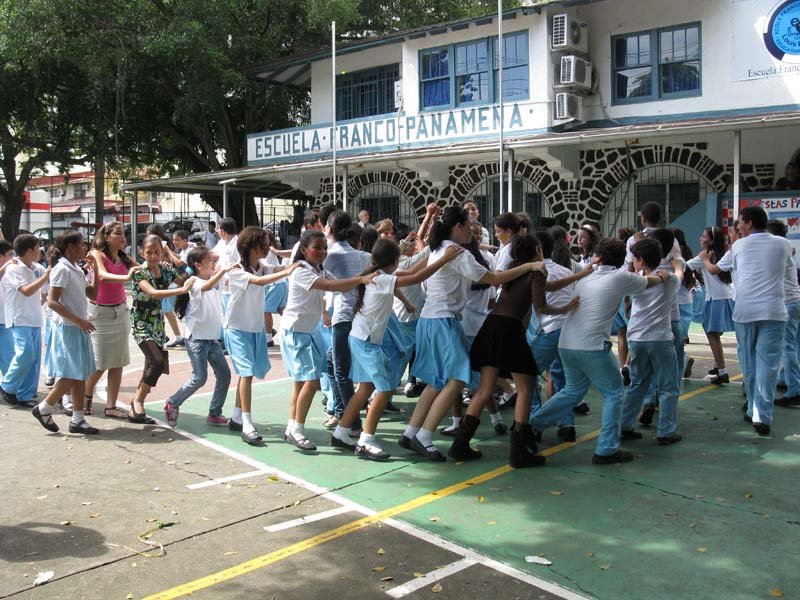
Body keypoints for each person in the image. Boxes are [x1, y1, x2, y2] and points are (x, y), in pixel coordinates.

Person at [399, 206, 548, 462]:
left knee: (437, 381)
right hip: (443, 320)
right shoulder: (457, 253)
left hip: (429, 320)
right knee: (457, 379)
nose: (473, 230)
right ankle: (424, 436)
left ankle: (410, 432)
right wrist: (531, 266)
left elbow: (412, 271)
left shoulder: (438, 248)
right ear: (458, 226)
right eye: (469, 226)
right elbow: (493, 279)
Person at [447, 233, 585, 468]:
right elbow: (541, 305)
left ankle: (460, 444)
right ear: (537, 249)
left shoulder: (513, 268)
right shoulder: (537, 270)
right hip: (510, 329)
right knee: (525, 387)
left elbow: (547, 287)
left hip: (491, 326)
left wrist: (580, 275)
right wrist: (565, 308)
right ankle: (518, 452)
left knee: (485, 389)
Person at [530, 237, 667, 465]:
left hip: (567, 343)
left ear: (598, 257)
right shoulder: (619, 277)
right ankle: (606, 449)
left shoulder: (585, 276)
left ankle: (532, 425)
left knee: (572, 391)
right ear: (621, 259)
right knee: (614, 393)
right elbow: (648, 281)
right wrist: (663, 276)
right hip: (592, 346)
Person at [330, 238, 464, 460]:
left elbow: (409, 273)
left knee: (365, 389)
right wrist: (444, 259)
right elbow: (415, 277)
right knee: (384, 389)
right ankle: (366, 441)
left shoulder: (377, 274)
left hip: (360, 338)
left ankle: (341, 432)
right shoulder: (382, 278)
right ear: (393, 261)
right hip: (366, 342)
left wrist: (431, 256)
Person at [280, 230, 377, 452]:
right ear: (304, 250)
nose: (322, 252)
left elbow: (341, 283)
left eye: (325, 248)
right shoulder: (301, 271)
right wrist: (361, 278)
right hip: (295, 331)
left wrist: (369, 275)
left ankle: (292, 427)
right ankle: (296, 430)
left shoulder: (319, 269)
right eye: (317, 248)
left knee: (301, 383)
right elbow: (330, 287)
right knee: (311, 381)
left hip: (307, 331)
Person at [704, 206, 793, 435]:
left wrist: (704, 258)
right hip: (774, 311)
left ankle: (753, 406)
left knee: (749, 362)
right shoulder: (783, 244)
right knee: (768, 364)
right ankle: (762, 415)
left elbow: (715, 269)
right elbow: (787, 273)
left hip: (746, 311)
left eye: (740, 223)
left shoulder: (739, 246)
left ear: (749, 223)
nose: (738, 227)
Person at [224, 227, 299, 444]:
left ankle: (236, 417)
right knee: (247, 373)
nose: (268, 249)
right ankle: (247, 425)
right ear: (251, 247)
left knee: (246, 373)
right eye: (263, 245)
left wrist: (295, 263)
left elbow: (274, 268)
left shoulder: (262, 267)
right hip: (236, 328)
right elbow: (259, 282)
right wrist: (289, 270)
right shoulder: (237, 270)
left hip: (255, 328)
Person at [31, 230, 99, 434]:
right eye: (82, 244)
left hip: (78, 327)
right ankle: (44, 407)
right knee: (71, 373)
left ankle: (77, 419)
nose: (85, 248)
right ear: (71, 247)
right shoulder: (62, 269)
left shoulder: (76, 268)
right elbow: (52, 301)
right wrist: (78, 320)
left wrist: (95, 270)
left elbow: (92, 293)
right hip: (69, 327)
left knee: (80, 374)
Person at [163, 246, 239, 428]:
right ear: (198, 265)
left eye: (213, 260)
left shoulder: (212, 280)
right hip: (196, 339)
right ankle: (172, 402)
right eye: (209, 260)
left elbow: (215, 283)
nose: (213, 263)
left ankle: (214, 413)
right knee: (199, 378)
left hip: (211, 340)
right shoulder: (194, 281)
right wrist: (224, 271)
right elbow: (207, 286)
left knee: (224, 375)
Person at [619, 237, 682, 445]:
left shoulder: (635, 280)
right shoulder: (668, 280)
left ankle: (624, 425)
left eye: (635, 259)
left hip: (637, 339)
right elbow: (679, 277)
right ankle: (666, 431)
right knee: (668, 386)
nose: (633, 262)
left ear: (641, 260)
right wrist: (677, 265)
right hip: (660, 338)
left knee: (638, 383)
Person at [128, 235, 194, 424]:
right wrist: (181, 290)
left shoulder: (166, 269)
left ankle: (137, 406)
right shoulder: (140, 272)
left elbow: (184, 278)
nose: (153, 256)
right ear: (142, 253)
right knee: (157, 362)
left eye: (157, 252)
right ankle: (137, 401)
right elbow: (153, 293)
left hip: (157, 322)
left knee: (151, 365)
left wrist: (191, 269)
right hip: (141, 321)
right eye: (149, 252)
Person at [83, 222, 140, 419]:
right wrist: (127, 278)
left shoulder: (123, 257)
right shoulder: (97, 254)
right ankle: (85, 396)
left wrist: (161, 262)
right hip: (100, 314)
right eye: (118, 234)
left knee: (118, 361)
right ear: (106, 237)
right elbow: (102, 276)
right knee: (100, 362)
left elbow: (142, 269)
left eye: (123, 234)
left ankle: (111, 406)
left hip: (120, 312)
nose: (123, 237)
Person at [323, 211, 368, 434]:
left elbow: (317, 273)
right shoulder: (355, 253)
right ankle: (342, 411)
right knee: (332, 361)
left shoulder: (334, 253)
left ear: (329, 229)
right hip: (356, 313)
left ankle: (353, 422)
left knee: (341, 370)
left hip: (343, 315)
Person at [0, 234, 51, 407]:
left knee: (34, 359)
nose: (40, 252)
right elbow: (26, 290)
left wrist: (41, 299)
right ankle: (7, 386)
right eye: (37, 248)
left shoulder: (38, 268)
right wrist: (44, 278)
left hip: (35, 318)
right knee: (25, 353)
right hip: (19, 318)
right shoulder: (14, 269)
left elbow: (45, 291)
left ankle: (25, 395)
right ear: (29, 251)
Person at [686, 227, 735, 385]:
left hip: (716, 298)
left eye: (704, 236)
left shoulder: (705, 256)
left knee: (712, 335)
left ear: (712, 240)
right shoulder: (722, 254)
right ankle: (718, 365)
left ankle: (722, 371)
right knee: (715, 334)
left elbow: (685, 265)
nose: (700, 239)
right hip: (727, 296)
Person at [765, 220, 800, 408]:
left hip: (788, 303)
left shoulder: (779, 248)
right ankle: (786, 379)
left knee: (788, 347)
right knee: (793, 345)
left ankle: (795, 389)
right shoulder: (785, 248)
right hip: (794, 301)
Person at [0, 240, 17, 375]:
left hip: (5, 322)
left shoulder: (11, 273)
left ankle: (9, 386)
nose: (14, 258)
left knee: (8, 359)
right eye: (10, 254)